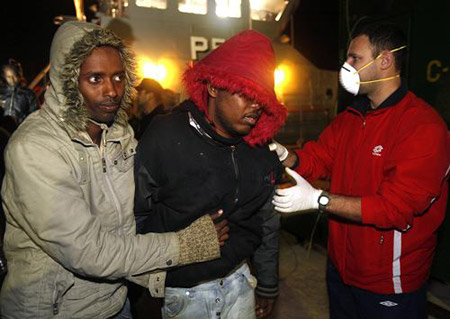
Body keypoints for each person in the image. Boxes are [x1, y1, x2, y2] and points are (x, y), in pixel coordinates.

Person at [0, 21, 228, 319]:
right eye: (95, 78)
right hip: (55, 311)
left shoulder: (120, 134)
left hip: (115, 301)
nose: (111, 91)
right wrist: (183, 245)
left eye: (119, 77)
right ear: (68, 81)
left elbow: (134, 217)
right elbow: (87, 251)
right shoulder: (35, 148)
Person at [271, 22, 450, 319]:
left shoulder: (423, 127)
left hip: (388, 283)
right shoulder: (351, 118)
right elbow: (319, 158)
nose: (346, 65)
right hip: (341, 269)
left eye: (355, 58)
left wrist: (320, 200)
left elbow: (396, 208)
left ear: (385, 60)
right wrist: (286, 155)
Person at [134, 30, 287, 319]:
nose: (255, 105)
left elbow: (266, 220)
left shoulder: (260, 148)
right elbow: (133, 216)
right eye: (245, 93)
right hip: (183, 292)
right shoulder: (166, 136)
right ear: (214, 87)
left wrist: (267, 284)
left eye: (261, 98)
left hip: (240, 280)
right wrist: (171, 253)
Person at [0, 59, 39, 123]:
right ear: (4, 77)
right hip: (3, 130)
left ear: (19, 75)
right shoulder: (1, 92)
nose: (12, 79)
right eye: (9, 77)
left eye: (14, 76)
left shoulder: (28, 94)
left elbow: (34, 114)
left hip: (21, 129)